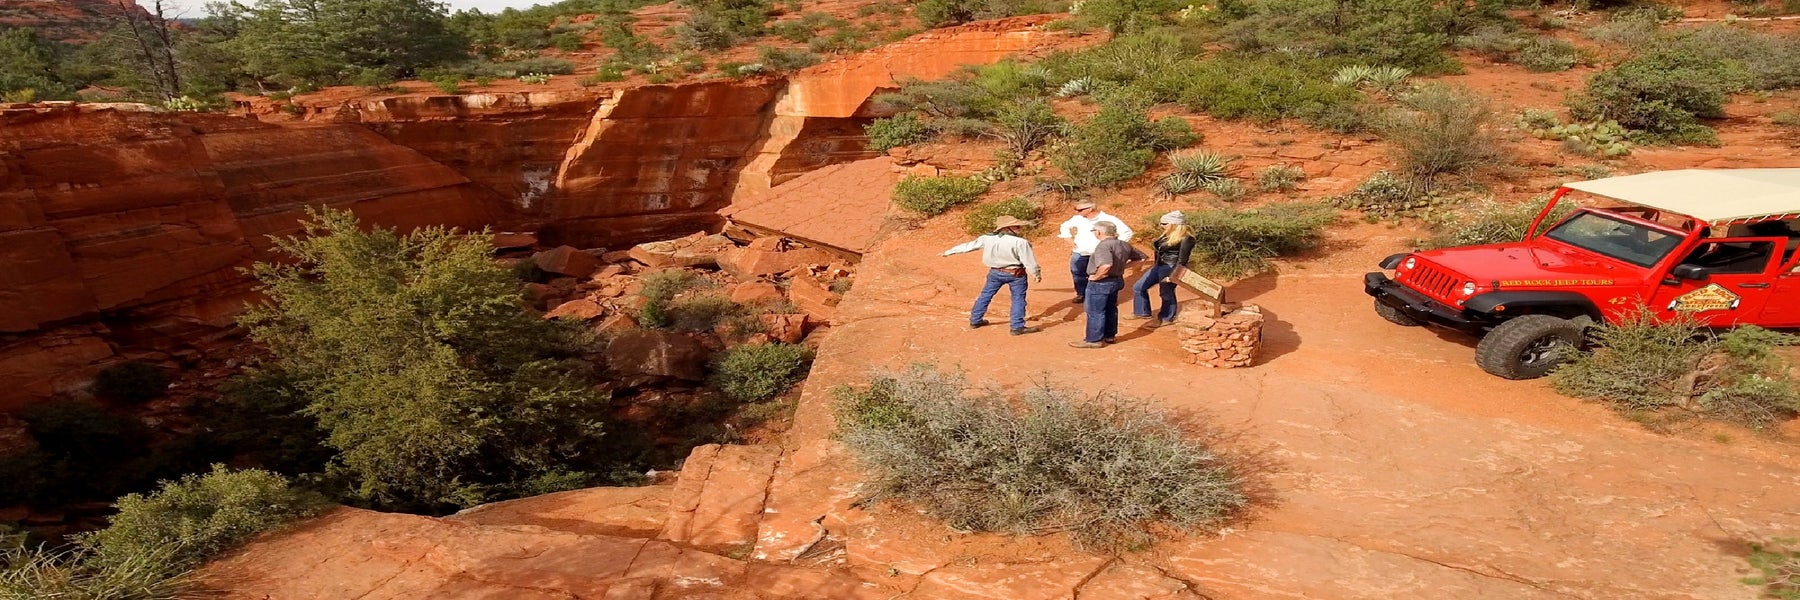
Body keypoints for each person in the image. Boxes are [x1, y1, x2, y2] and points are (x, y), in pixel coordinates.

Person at [942, 215, 1043, 335]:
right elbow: (1029, 261)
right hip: (1016, 274)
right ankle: (1017, 327)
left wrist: (949, 252)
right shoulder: (1020, 242)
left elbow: (968, 246)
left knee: (985, 295)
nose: (1019, 228)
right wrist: (1036, 274)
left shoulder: (987, 238)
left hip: (995, 272)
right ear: (1007, 228)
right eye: (1017, 226)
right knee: (1018, 299)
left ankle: (975, 320)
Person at [1071, 221, 1145, 348]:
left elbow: (1106, 265)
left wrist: (1097, 277)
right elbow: (1142, 258)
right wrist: (1122, 267)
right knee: (1111, 308)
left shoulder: (1103, 246)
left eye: (1094, 231)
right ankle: (1109, 336)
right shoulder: (1123, 244)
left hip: (1101, 283)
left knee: (1095, 311)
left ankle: (1094, 340)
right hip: (1116, 280)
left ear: (1099, 232)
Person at [1127, 211, 1197, 327]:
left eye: (1164, 223)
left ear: (1174, 224)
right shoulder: (1166, 235)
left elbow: (1182, 259)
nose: (1161, 226)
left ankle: (1166, 318)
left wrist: (1174, 275)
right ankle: (1142, 312)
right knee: (1139, 287)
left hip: (1170, 267)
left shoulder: (1187, 239)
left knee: (1166, 293)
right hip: (1159, 266)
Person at [1057, 201, 1133, 305]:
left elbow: (1127, 232)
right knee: (1077, 273)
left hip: (1100, 254)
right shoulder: (1077, 219)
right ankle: (1082, 294)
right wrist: (1069, 239)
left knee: (1104, 274)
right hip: (1081, 252)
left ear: (1090, 209)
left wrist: (1115, 246)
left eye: (1080, 210)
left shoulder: (1109, 219)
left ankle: (1106, 297)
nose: (1077, 212)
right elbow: (1064, 226)